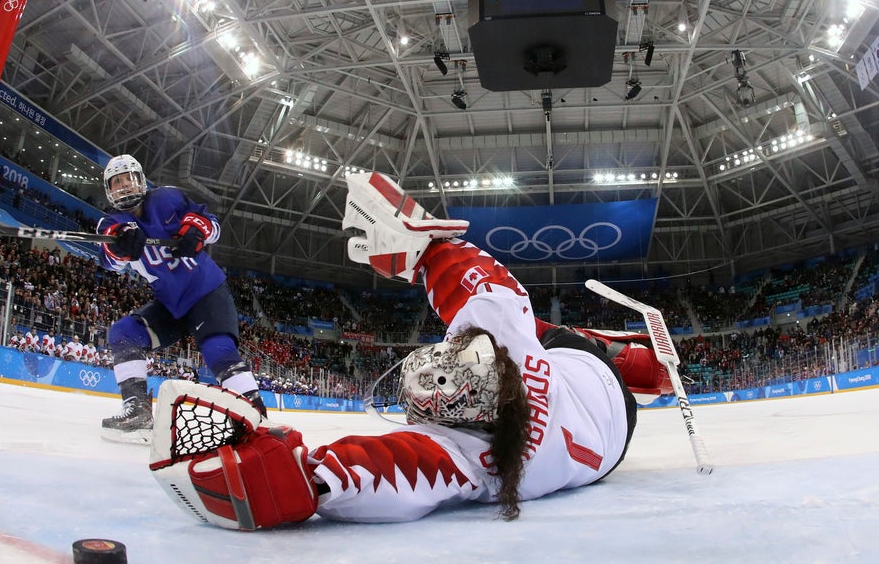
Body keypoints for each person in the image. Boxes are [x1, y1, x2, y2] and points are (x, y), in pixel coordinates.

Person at [149, 171, 673, 528]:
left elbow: (394, 468)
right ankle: (632, 360)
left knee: (540, 333)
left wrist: (306, 479)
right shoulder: (516, 358)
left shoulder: (475, 461)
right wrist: (427, 249)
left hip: (605, 438)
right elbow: (493, 296)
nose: (450, 353)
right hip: (584, 373)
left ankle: (632, 363)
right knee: (547, 333)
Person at [97, 154, 264, 443]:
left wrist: (197, 230)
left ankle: (256, 419)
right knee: (123, 334)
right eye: (117, 182)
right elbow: (110, 261)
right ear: (109, 190)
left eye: (128, 178)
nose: (124, 185)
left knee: (218, 352)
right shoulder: (112, 223)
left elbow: (212, 226)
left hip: (206, 294)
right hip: (171, 306)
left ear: (141, 181)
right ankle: (138, 411)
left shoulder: (168, 198)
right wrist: (120, 246)